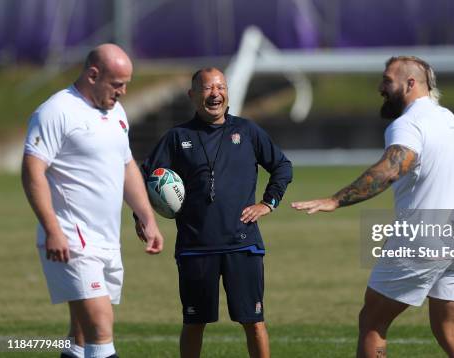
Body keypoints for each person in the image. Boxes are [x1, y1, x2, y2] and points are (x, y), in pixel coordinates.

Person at [292, 56, 454, 358]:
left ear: (410, 84)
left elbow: (390, 169)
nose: (381, 87)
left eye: (387, 80)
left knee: (373, 321)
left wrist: (335, 200)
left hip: (422, 237)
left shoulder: (408, 124)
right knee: (451, 329)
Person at [137, 67, 292, 358]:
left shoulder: (247, 131)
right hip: (196, 247)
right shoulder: (176, 137)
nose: (215, 94)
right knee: (194, 323)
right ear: (192, 95)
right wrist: (140, 217)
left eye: (220, 87)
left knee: (254, 322)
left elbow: (282, 166)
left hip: (242, 244)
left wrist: (268, 203)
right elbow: (144, 179)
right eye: (207, 88)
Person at [21, 43, 164, 358]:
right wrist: (53, 229)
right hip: (72, 238)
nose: (124, 91)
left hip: (106, 239)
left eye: (126, 84)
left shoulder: (116, 112)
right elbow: (32, 170)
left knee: (81, 337)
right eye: (117, 84)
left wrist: (147, 216)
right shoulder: (57, 111)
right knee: (101, 327)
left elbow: (126, 165)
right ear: (92, 74)